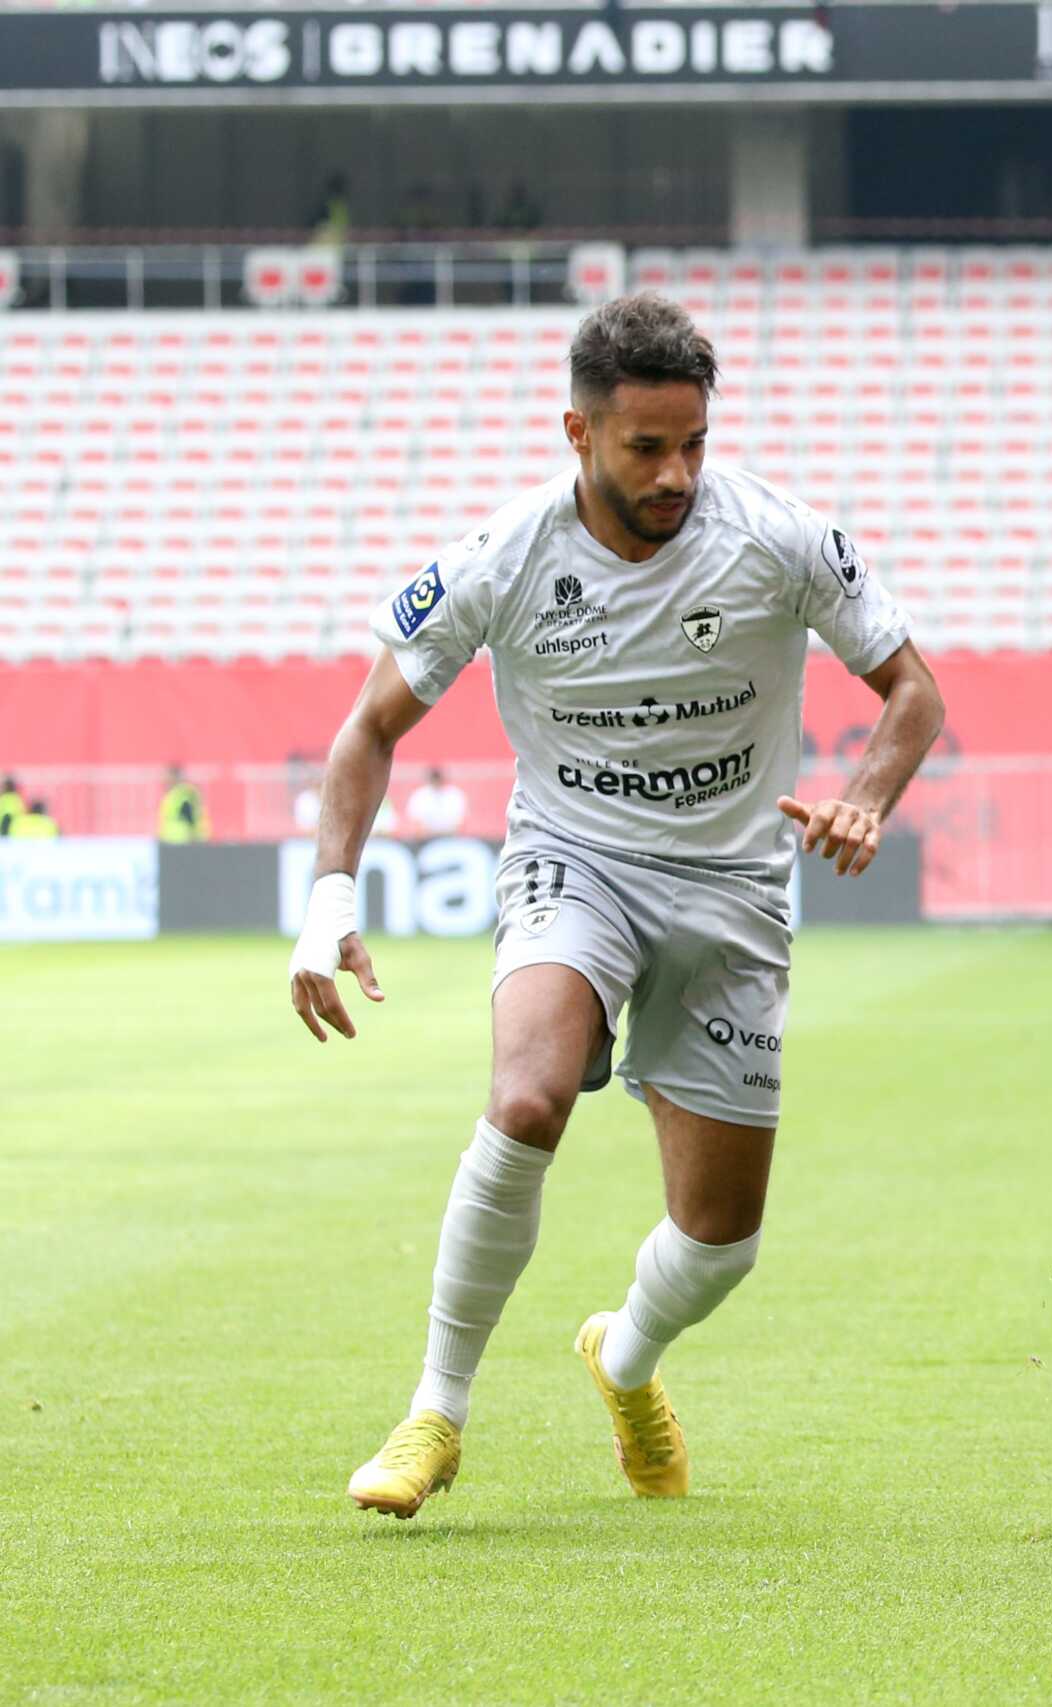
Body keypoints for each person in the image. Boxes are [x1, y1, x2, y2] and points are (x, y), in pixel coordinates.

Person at [292, 292, 945, 1522]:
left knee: (719, 1243)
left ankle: (626, 1357)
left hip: (734, 889)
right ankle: (436, 1412)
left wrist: (863, 796)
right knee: (529, 1095)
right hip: (574, 865)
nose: (677, 473)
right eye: (647, 447)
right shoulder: (507, 555)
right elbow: (369, 727)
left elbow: (911, 689)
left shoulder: (778, 537)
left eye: (693, 441)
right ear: (577, 434)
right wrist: (329, 893)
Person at [403, 766, 470, 838]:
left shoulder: (455, 795)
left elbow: (461, 825)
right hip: (426, 840)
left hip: (451, 839)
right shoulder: (420, 796)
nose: (437, 781)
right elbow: (417, 825)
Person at [157, 764, 208, 844]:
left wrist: (195, 838)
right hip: (170, 841)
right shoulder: (172, 794)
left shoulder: (185, 794)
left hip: (184, 840)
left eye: (170, 776)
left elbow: (191, 818)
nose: (166, 779)